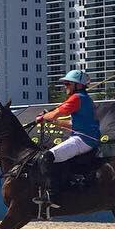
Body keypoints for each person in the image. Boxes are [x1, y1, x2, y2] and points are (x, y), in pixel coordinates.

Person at [34, 69, 101, 208]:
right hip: (87, 138)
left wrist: (43, 117)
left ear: (78, 85)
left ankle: (52, 196)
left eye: (68, 83)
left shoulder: (77, 98)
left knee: (46, 157)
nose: (65, 86)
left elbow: (55, 114)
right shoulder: (84, 99)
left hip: (83, 139)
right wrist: (52, 121)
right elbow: (71, 123)